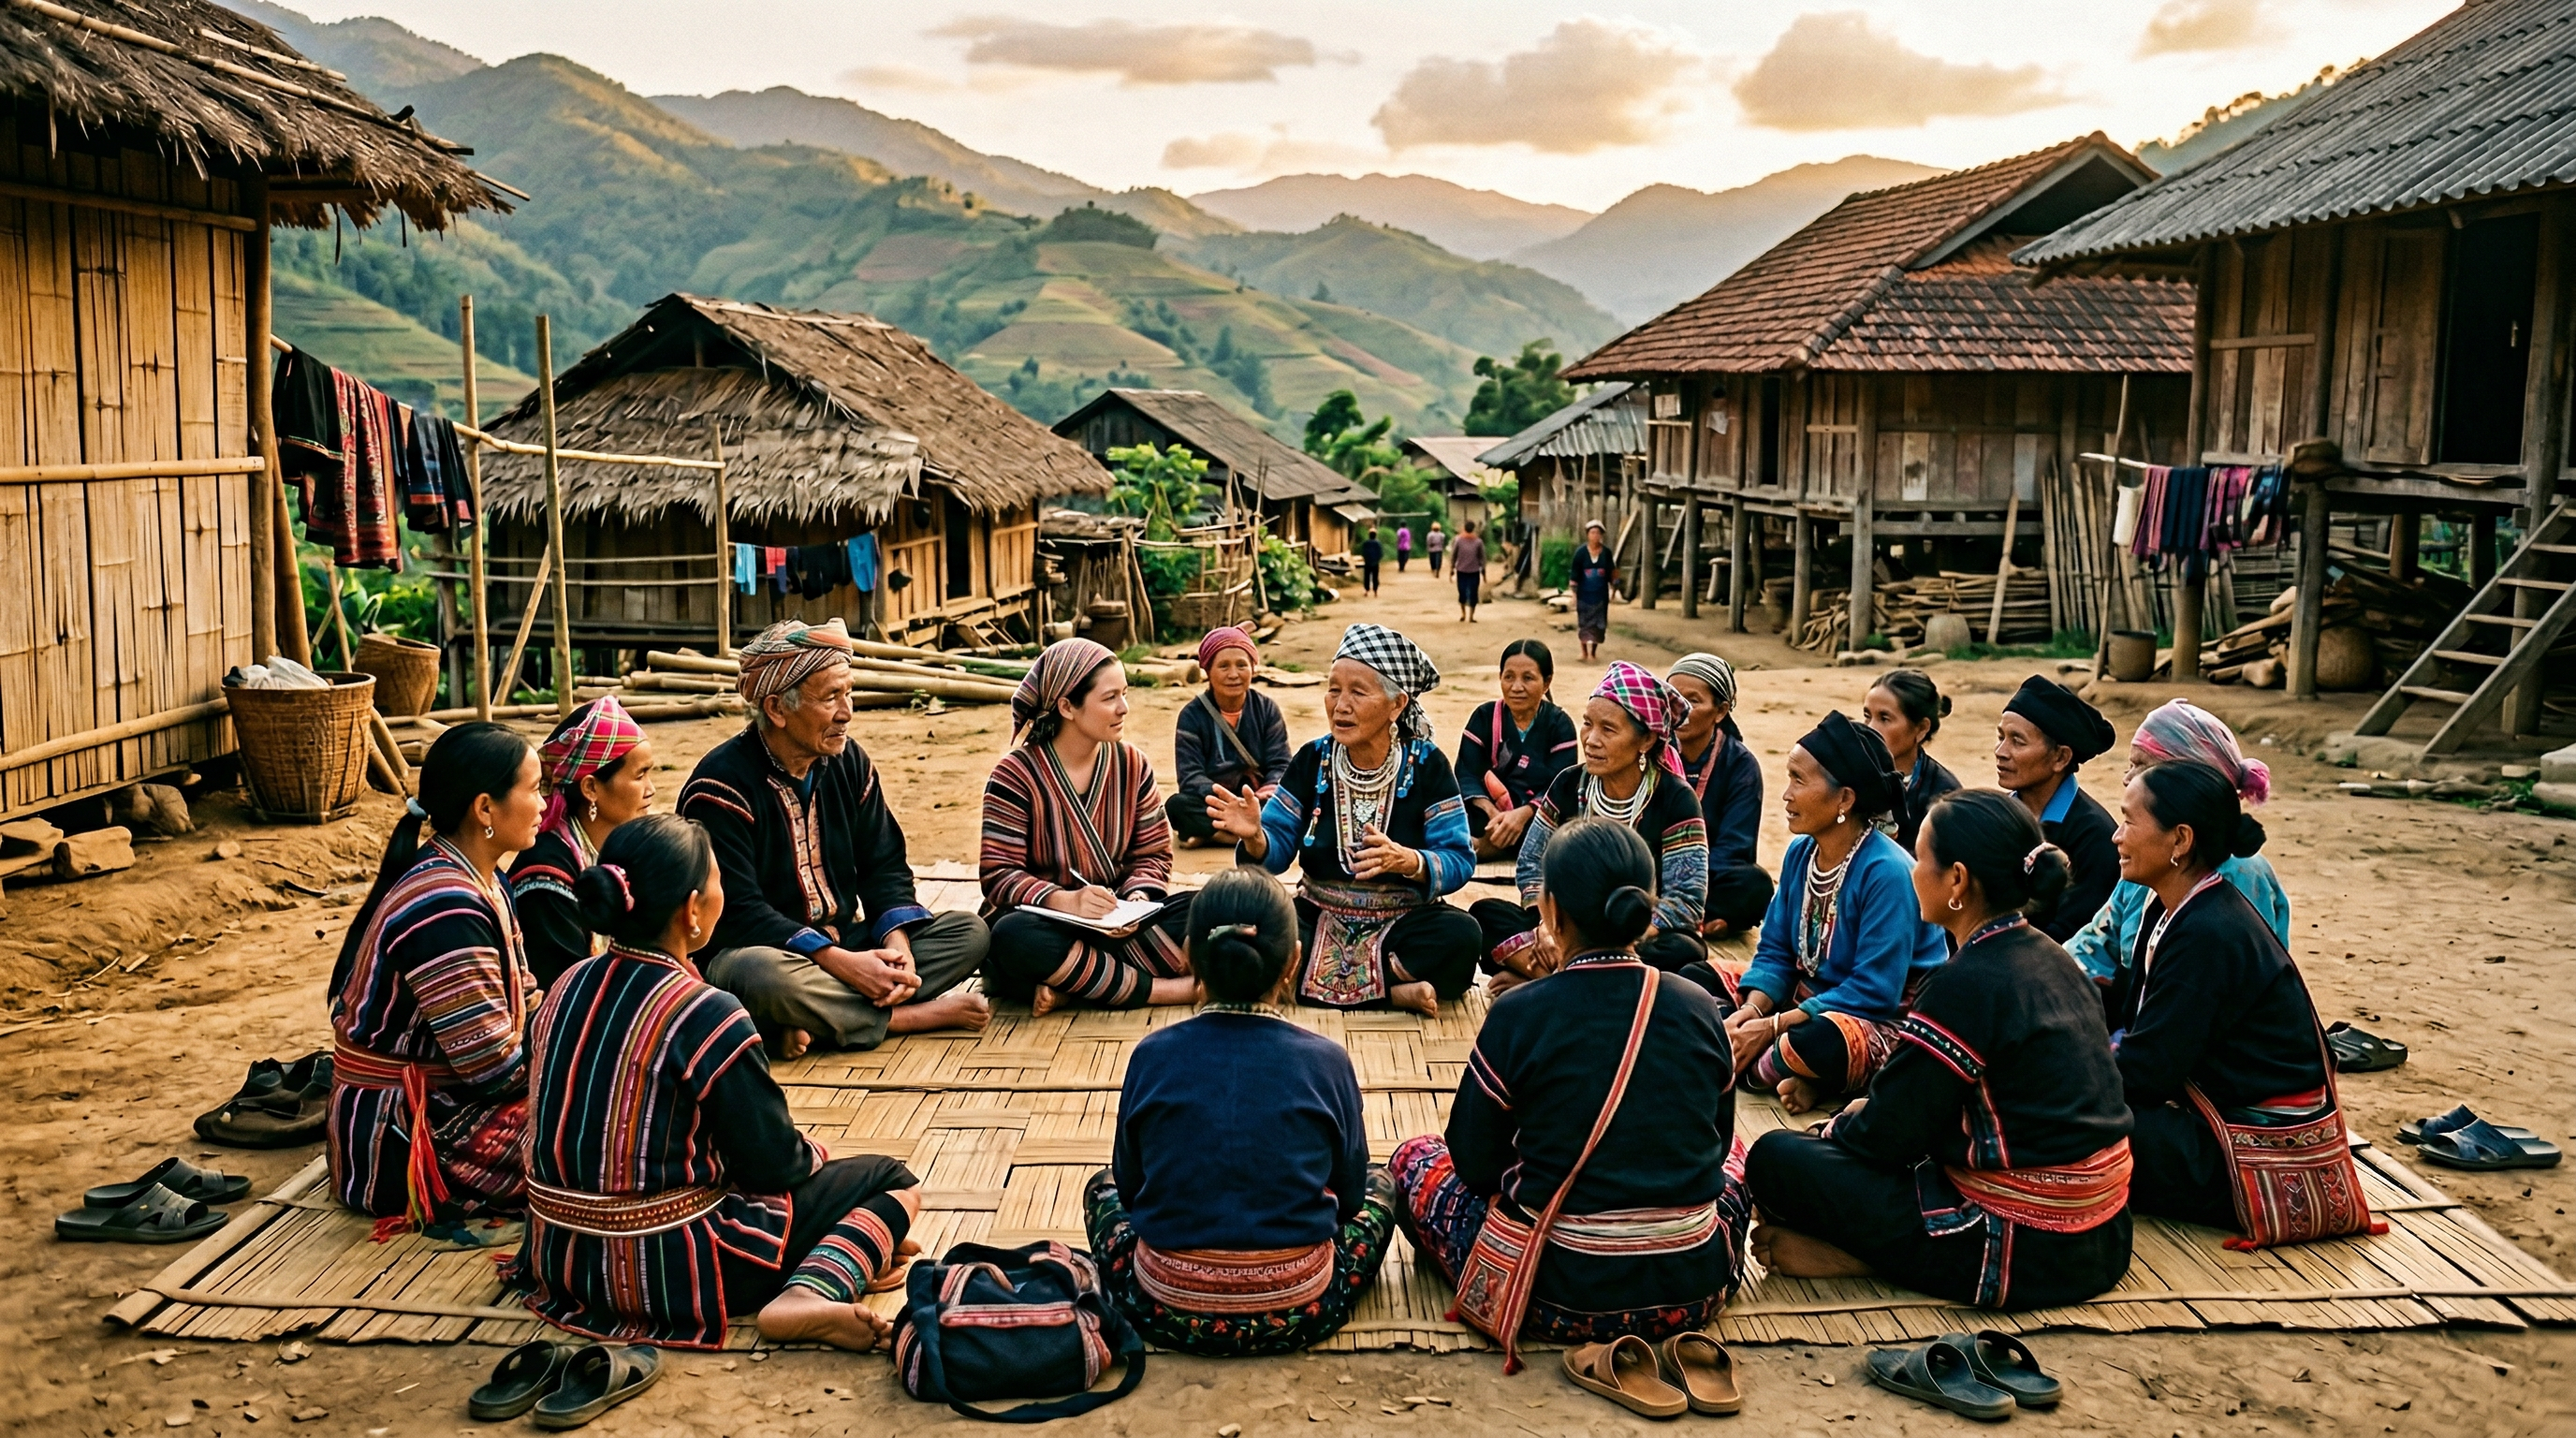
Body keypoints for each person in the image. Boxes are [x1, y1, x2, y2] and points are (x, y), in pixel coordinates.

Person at [520, 814, 922, 1352]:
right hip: (673, 1271)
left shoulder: (566, 984)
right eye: (716, 883)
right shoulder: (704, 1010)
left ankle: (846, 1242)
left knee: (815, 1187)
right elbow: (774, 1164)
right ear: (691, 911)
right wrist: (817, 1158)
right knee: (892, 1181)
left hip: (563, 1260)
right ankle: (810, 1291)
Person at [1745, 790, 2135, 1310]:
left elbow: (1890, 1136)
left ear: (1956, 880)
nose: (1911, 873)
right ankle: (1874, 1251)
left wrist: (1836, 1128)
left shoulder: (1966, 982)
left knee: (1776, 1159)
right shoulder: (2051, 957)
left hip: (2024, 1247)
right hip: (2104, 1235)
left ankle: (1872, 1256)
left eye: (1921, 858)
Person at [1390, 819, 1750, 1360]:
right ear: (1646, 907)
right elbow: (1717, 1145)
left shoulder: (1519, 1013)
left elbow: (1473, 1159)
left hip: (1556, 1293)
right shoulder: (1698, 1005)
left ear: (1553, 912)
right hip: (1693, 1287)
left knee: (1414, 1159)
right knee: (1742, 1162)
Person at [1084, 867, 1394, 1355]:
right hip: (1295, 1311)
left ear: (1189, 956)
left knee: (1099, 1188)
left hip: (1165, 1308)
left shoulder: (1151, 1055)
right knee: (1383, 1184)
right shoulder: (1327, 1062)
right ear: (1294, 961)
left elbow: (1129, 1185)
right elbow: (1352, 1197)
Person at [681, 619, 990, 1059]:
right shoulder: (720, 787)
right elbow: (740, 912)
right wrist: (839, 963)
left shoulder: (849, 763)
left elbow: (885, 863)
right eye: (831, 697)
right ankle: (905, 1017)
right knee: (760, 976)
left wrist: (896, 948)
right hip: (771, 957)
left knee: (970, 931)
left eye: (849, 693)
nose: (847, 712)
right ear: (777, 708)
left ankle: (815, 1020)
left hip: (848, 947)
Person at [2108, 762, 2355, 1236]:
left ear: (2180, 840)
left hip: (2257, 1152)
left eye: (2129, 822)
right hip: (2218, 1119)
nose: (2117, 837)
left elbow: (2147, 1071)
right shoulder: (2174, 908)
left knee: (2070, 1123)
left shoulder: (2208, 931)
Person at [327, 722, 539, 1225]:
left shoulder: (486, 881)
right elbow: (495, 1071)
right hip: (409, 1135)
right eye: (534, 789)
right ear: (485, 808)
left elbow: (528, 995)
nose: (544, 805)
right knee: (605, 1136)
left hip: (455, 1101)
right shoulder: (445, 909)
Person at [1208, 624, 1480, 1016]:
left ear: (1397, 704)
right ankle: (1394, 992)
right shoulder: (1312, 759)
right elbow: (1277, 849)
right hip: (1318, 914)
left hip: (1402, 922)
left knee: (1462, 936)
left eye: (1358, 692)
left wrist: (1411, 861)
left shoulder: (1426, 765)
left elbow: (1458, 857)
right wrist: (1255, 838)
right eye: (1334, 689)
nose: (1340, 705)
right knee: (1240, 920)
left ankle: (1310, 982)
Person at [1722, 712, 1947, 1112]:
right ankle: (1774, 1064)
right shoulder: (1801, 853)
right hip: (1808, 998)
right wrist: (1750, 1013)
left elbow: (1875, 990)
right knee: (1696, 983)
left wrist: (1772, 1027)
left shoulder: (1888, 872)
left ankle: (1776, 1064)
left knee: (1813, 1044)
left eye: (1798, 780)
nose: (1786, 795)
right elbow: (1774, 950)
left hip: (1877, 1019)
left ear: (1844, 798)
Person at [981, 638, 1196, 1014]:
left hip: (1121, 921)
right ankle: (1166, 990)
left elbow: (1153, 854)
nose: (1124, 708)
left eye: (1125, 694)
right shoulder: (1014, 775)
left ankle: (1075, 986)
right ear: (1067, 706)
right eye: (1110, 697)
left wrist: (1136, 900)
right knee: (1010, 938)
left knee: (1213, 907)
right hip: (1047, 924)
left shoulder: (1132, 765)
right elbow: (999, 875)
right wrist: (1067, 902)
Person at [1472, 663, 1707, 985]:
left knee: (1684, 951)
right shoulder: (1568, 784)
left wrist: (1616, 940)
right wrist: (1548, 928)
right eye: (1587, 724)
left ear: (1646, 740)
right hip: (1564, 926)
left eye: (1608, 730)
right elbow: (1530, 864)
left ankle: (1547, 983)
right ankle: (1587, 984)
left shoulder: (1675, 799)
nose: (1591, 740)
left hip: (1633, 936)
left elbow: (1686, 900)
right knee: (1485, 916)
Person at [2066, 700, 2291, 982]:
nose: (2127, 779)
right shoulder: (2146, 863)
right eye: (2130, 764)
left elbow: (2228, 990)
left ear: (2187, 783)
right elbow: (2092, 947)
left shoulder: (2239, 876)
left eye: (2142, 766)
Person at [507, 697, 654, 988]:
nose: (650, 789)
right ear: (591, 788)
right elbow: (566, 989)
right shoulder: (545, 877)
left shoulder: (622, 851)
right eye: (640, 776)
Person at [1995, 675, 2120, 944]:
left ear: (2060, 757)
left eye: (2018, 741)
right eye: (2001, 737)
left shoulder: (2094, 835)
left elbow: (2072, 933)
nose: (2000, 751)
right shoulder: (1999, 816)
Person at [1668, 653, 1771, 938]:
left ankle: (1679, 917)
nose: (1681, 710)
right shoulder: (1653, 750)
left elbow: (1736, 847)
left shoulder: (1740, 765)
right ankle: (1703, 923)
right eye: (1674, 699)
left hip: (1711, 875)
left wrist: (1687, 877)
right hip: (1658, 866)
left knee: (1755, 885)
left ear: (1721, 711)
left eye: (1694, 701)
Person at [1167, 627, 1291, 848]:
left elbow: (1281, 765)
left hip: (1258, 802)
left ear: (1253, 668)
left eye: (1242, 665)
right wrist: (1229, 802)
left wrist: (1256, 799)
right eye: (1223, 666)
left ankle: (1215, 836)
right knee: (1177, 806)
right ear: (1208, 671)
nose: (1234, 674)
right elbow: (1190, 777)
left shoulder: (1267, 709)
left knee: (1296, 804)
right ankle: (1245, 837)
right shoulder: (1191, 716)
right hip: (1216, 802)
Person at [1456, 638, 1576, 861]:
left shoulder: (1559, 724)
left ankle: (1484, 847)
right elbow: (1467, 772)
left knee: (1565, 827)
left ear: (1547, 682)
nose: (1516, 687)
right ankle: (1494, 844)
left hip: (1536, 813)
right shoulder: (1484, 716)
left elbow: (1563, 784)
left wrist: (1522, 815)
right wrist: (1491, 812)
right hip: (1487, 813)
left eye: (1528, 678)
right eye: (1508, 677)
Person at [1862, 668, 1957, 856]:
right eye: (1867, 716)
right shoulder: (1849, 775)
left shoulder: (1942, 795)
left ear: (1921, 729)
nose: (1870, 728)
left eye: (1884, 718)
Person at [1571, 521, 1616, 662]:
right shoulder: (1580, 553)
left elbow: (1612, 572)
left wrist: (1614, 589)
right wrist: (1574, 594)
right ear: (1588, 535)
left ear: (1601, 535)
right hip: (1584, 595)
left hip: (1600, 595)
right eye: (1592, 532)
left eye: (1598, 533)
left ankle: (1593, 653)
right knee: (1584, 623)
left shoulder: (1606, 553)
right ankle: (1584, 652)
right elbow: (1574, 574)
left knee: (1599, 624)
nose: (1595, 535)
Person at [1451, 521, 1486, 623]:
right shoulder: (1477, 541)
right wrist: (1483, 571)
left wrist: (1451, 569)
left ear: (1464, 527)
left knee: (1462, 592)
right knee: (1473, 593)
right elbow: (1482, 558)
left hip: (1462, 571)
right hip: (1473, 571)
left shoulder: (1459, 540)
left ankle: (1464, 614)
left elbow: (1453, 555)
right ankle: (1470, 616)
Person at [1360, 528, 1383, 596]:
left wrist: (1366, 559)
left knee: (1367, 577)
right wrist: (1377, 560)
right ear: (1375, 535)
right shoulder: (1378, 543)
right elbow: (1380, 553)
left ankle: (1366, 591)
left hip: (1367, 563)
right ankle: (1375, 591)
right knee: (1375, 577)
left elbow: (1363, 552)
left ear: (1369, 535)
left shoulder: (1366, 543)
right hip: (1375, 563)